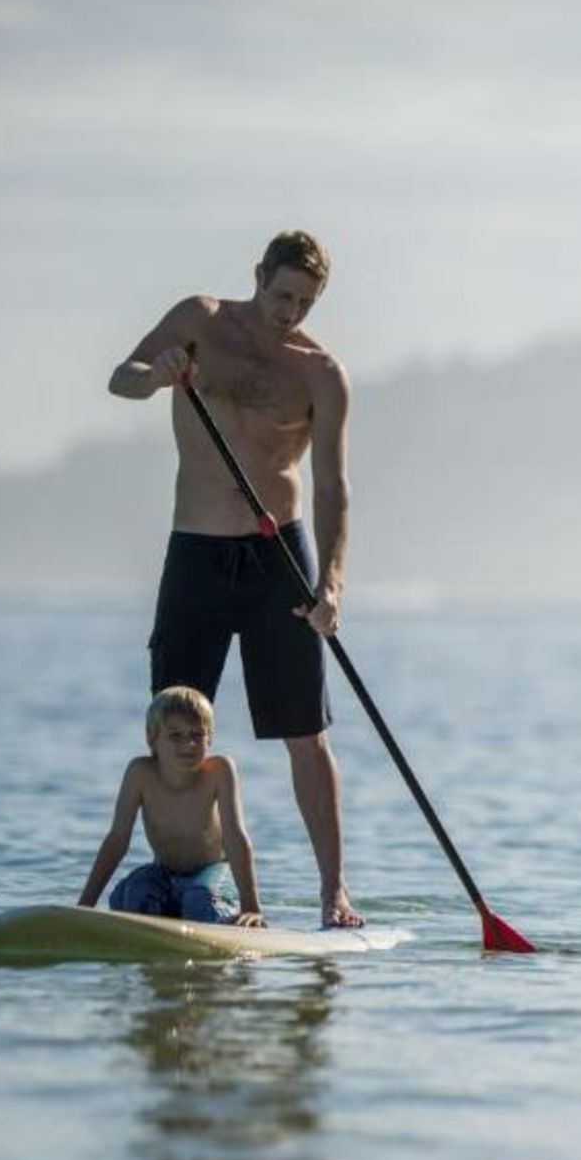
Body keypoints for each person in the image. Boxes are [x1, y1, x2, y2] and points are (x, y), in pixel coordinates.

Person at [109, 230, 362, 928]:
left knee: (305, 733)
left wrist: (331, 584)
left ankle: (334, 894)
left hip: (279, 560)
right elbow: (121, 377)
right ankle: (181, 880)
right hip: (196, 552)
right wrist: (157, 373)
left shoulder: (322, 375)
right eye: (282, 296)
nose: (290, 312)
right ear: (258, 276)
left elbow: (333, 488)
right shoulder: (200, 320)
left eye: (305, 302)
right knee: (173, 732)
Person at [78, 686, 266, 927]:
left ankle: (214, 917)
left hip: (211, 874)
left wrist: (251, 907)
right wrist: (85, 905)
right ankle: (164, 918)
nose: (188, 744)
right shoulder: (140, 773)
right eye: (175, 735)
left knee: (200, 900)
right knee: (135, 894)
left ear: (210, 738)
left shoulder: (220, 771)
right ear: (152, 739)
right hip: (164, 874)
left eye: (197, 735)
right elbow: (117, 840)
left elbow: (236, 837)